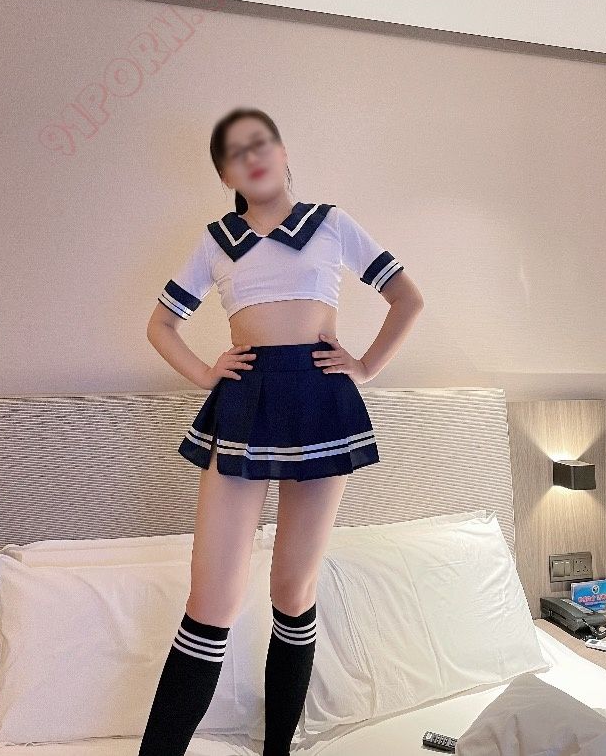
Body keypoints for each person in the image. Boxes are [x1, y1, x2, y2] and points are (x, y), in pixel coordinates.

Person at [141, 107, 424, 755]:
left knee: (293, 590)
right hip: (245, 402)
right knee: (210, 600)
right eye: (236, 152)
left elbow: (407, 297)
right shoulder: (216, 239)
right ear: (225, 174)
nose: (253, 156)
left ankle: (278, 751)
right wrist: (206, 372)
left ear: (283, 151)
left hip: (320, 401)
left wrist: (364, 366)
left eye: (261, 142)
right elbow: (161, 324)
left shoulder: (331, 223)